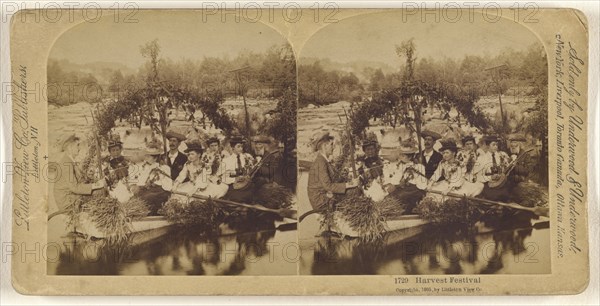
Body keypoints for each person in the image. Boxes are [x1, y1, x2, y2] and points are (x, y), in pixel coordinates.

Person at [307, 132, 359, 210]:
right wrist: (350, 184)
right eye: (331, 145)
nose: (333, 147)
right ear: (324, 146)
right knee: (354, 191)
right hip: (321, 200)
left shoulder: (323, 160)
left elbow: (331, 181)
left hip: (324, 195)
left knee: (353, 190)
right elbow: (328, 186)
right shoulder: (321, 162)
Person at [53, 134, 106, 211]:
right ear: (70, 147)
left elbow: (77, 179)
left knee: (99, 190)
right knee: (100, 192)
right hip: (67, 201)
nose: (79, 148)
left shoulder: (69, 160)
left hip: (70, 195)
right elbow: (74, 187)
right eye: (77, 145)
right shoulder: (66, 163)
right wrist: (96, 185)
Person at [382, 141, 428, 213]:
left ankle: (405, 211)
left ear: (409, 157)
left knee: (400, 197)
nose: (400, 157)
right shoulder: (400, 166)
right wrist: (392, 184)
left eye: (403, 156)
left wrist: (409, 181)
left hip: (415, 190)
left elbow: (422, 184)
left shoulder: (419, 167)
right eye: (400, 155)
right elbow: (396, 179)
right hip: (402, 188)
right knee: (387, 197)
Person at [130, 143, 172, 215]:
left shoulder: (163, 168)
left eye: (148, 157)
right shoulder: (145, 167)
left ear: (155, 158)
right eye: (146, 156)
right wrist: (138, 185)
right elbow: (141, 180)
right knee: (134, 197)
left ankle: (152, 213)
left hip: (160, 190)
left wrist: (154, 183)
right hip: (147, 189)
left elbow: (167, 184)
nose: (146, 158)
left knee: (147, 197)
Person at [221, 135, 257, 202]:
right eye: (238, 146)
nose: (241, 149)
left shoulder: (246, 158)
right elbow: (223, 178)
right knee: (237, 197)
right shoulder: (226, 161)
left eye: (241, 146)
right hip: (234, 186)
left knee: (253, 189)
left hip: (246, 184)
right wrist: (234, 179)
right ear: (232, 148)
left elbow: (249, 170)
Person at [478, 135, 512, 202]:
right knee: (494, 196)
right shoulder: (482, 158)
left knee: (507, 193)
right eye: (493, 145)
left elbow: (505, 168)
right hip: (489, 184)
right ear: (488, 145)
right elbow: (479, 177)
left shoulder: (501, 155)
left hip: (501, 183)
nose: (496, 147)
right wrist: (490, 177)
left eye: (497, 145)